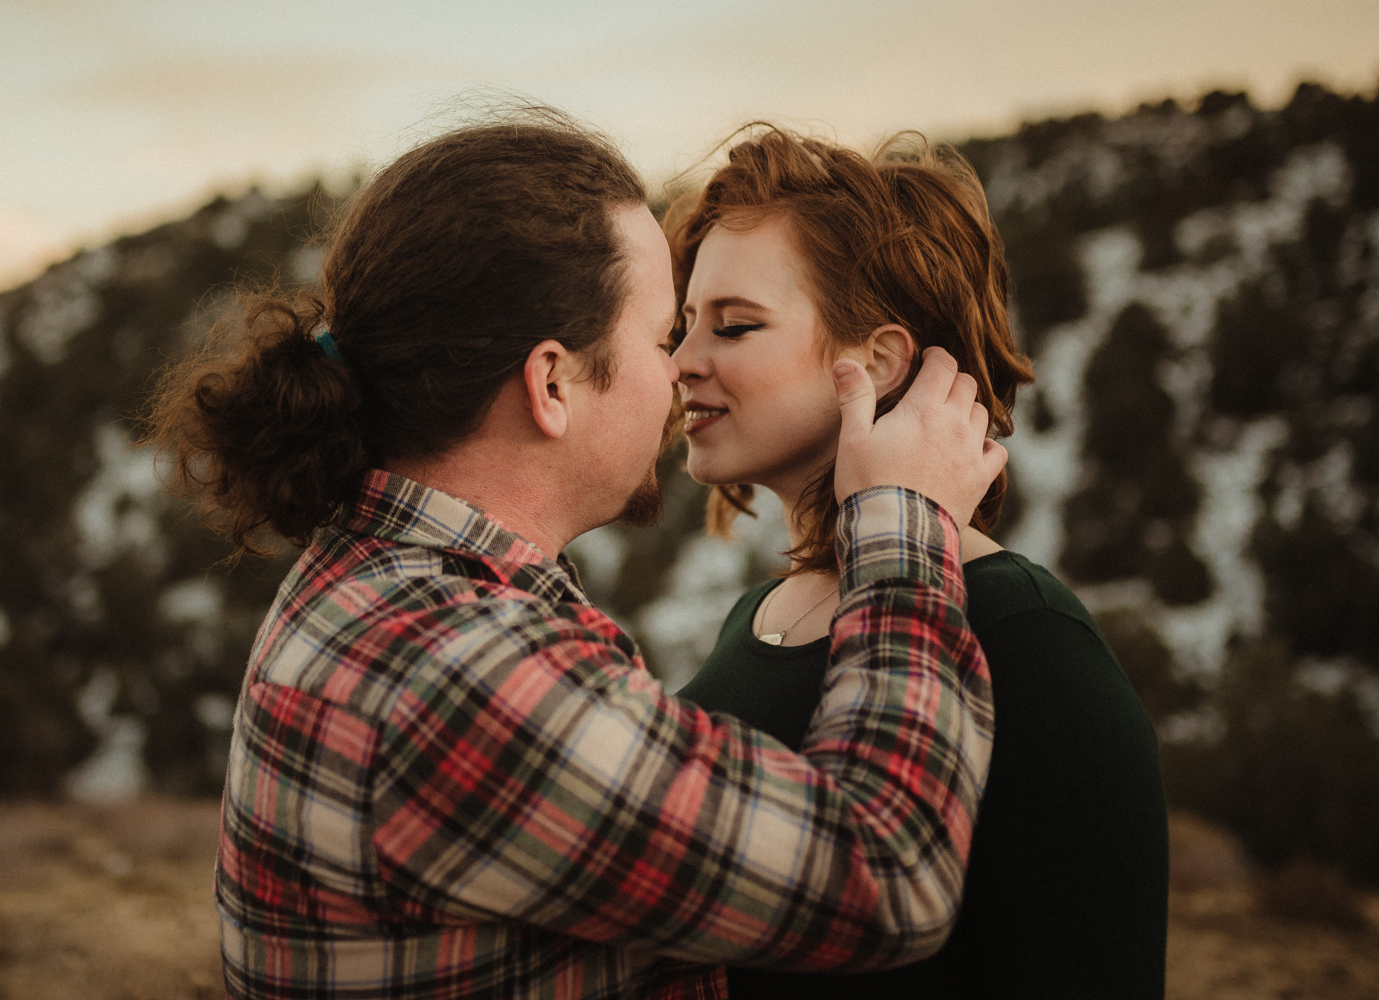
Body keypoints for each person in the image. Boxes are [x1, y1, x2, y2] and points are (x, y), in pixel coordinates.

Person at [143, 108, 1006, 999]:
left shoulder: (370, 583)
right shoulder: (460, 672)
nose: (678, 371)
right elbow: (889, 874)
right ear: (550, 383)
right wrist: (904, 526)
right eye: (661, 336)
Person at [667, 127, 1169, 997]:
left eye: (735, 326)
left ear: (877, 361)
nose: (681, 364)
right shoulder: (755, 618)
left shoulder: (1026, 635)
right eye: (681, 327)